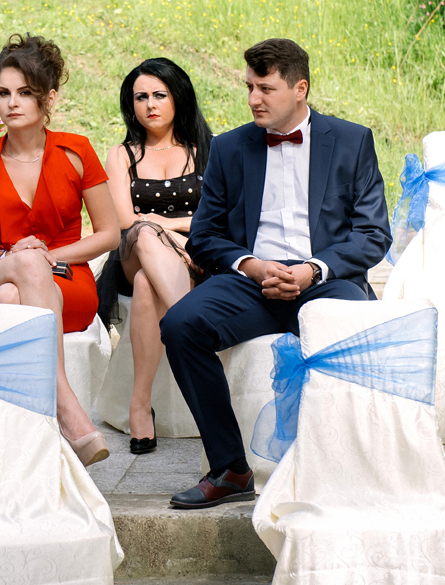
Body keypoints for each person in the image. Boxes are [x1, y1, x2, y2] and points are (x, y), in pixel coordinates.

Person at [160, 38, 391, 509]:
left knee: (354, 329)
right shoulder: (229, 147)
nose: (253, 99)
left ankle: (351, 468)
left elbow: (373, 234)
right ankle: (230, 469)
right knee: (181, 326)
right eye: (249, 87)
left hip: (326, 281)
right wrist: (251, 264)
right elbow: (203, 235)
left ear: (300, 88)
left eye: (265, 89)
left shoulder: (352, 141)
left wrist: (312, 269)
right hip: (251, 282)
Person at [0, 34, 119, 466]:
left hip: (68, 280)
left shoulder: (77, 151)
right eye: (3, 93)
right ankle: (69, 410)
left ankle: (18, 451)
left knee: (12, 299)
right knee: (19, 271)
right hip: (0, 269)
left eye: (25, 93)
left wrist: (48, 256)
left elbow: (109, 234)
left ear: (49, 97)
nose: (12, 103)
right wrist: (13, 257)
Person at [96, 58, 213, 454]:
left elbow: (218, 216)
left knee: (149, 284)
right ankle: (193, 327)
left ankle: (139, 404)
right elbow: (124, 219)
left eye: (159, 95)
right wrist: (171, 235)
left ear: (178, 96)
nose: (150, 105)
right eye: (141, 97)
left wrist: (172, 228)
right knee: (144, 234)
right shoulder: (122, 155)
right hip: (135, 252)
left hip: (193, 253)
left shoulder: (205, 150)